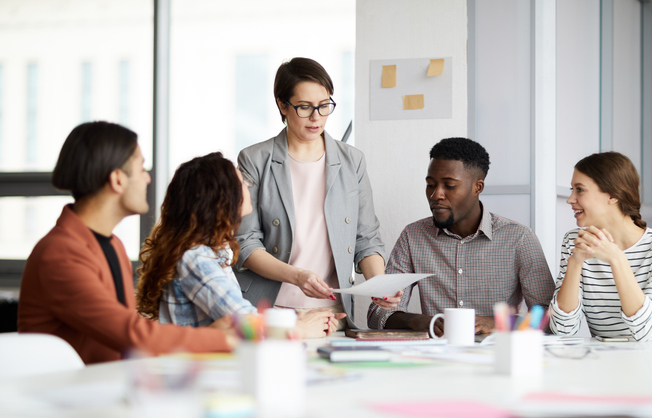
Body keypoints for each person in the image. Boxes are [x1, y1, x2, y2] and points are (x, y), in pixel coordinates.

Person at [18, 122, 236, 364]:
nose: (147, 178)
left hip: (106, 382)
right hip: (67, 394)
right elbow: (132, 334)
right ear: (118, 180)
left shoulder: (113, 245)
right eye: (141, 168)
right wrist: (223, 339)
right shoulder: (60, 254)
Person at [235, 57, 400, 330]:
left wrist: (379, 284)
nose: (316, 117)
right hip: (269, 310)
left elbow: (366, 238)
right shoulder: (255, 159)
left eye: (324, 106)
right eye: (304, 107)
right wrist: (297, 276)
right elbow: (245, 243)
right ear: (282, 105)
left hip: (332, 313)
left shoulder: (352, 161)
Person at [136, 153, 343, 338]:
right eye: (242, 182)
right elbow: (242, 319)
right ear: (222, 199)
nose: (249, 186)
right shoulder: (196, 257)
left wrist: (309, 320)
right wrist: (301, 327)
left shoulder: (212, 251)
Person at [367, 137, 555, 334]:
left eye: (449, 185)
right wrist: (420, 321)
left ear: (477, 187)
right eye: (431, 184)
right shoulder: (412, 236)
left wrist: (498, 323)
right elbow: (378, 313)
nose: (436, 194)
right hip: (435, 356)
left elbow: (549, 317)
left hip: (498, 355)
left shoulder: (519, 238)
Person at [548, 152, 652, 340]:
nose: (570, 199)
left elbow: (649, 334)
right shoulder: (576, 241)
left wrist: (617, 259)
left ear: (612, 195)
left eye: (579, 190)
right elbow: (562, 330)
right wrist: (575, 263)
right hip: (601, 361)